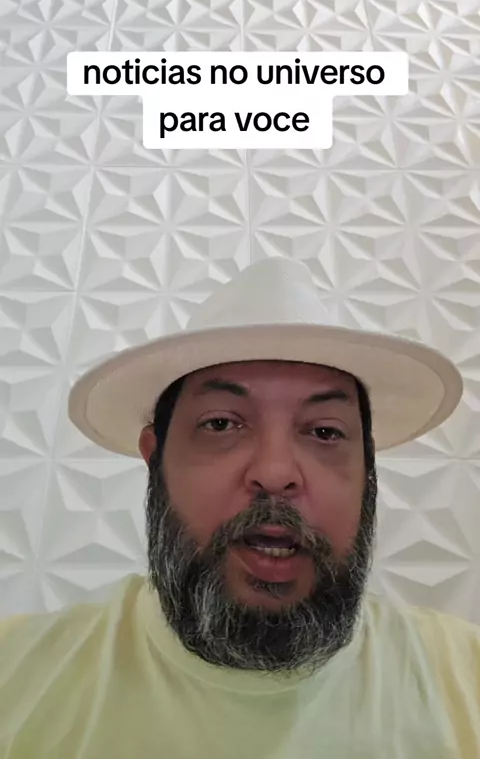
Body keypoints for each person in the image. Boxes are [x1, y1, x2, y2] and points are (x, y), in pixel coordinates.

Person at [0, 257, 478, 759]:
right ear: (154, 458)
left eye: (325, 431)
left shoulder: (465, 680)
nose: (275, 472)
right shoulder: (16, 675)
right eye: (221, 424)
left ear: (368, 471)